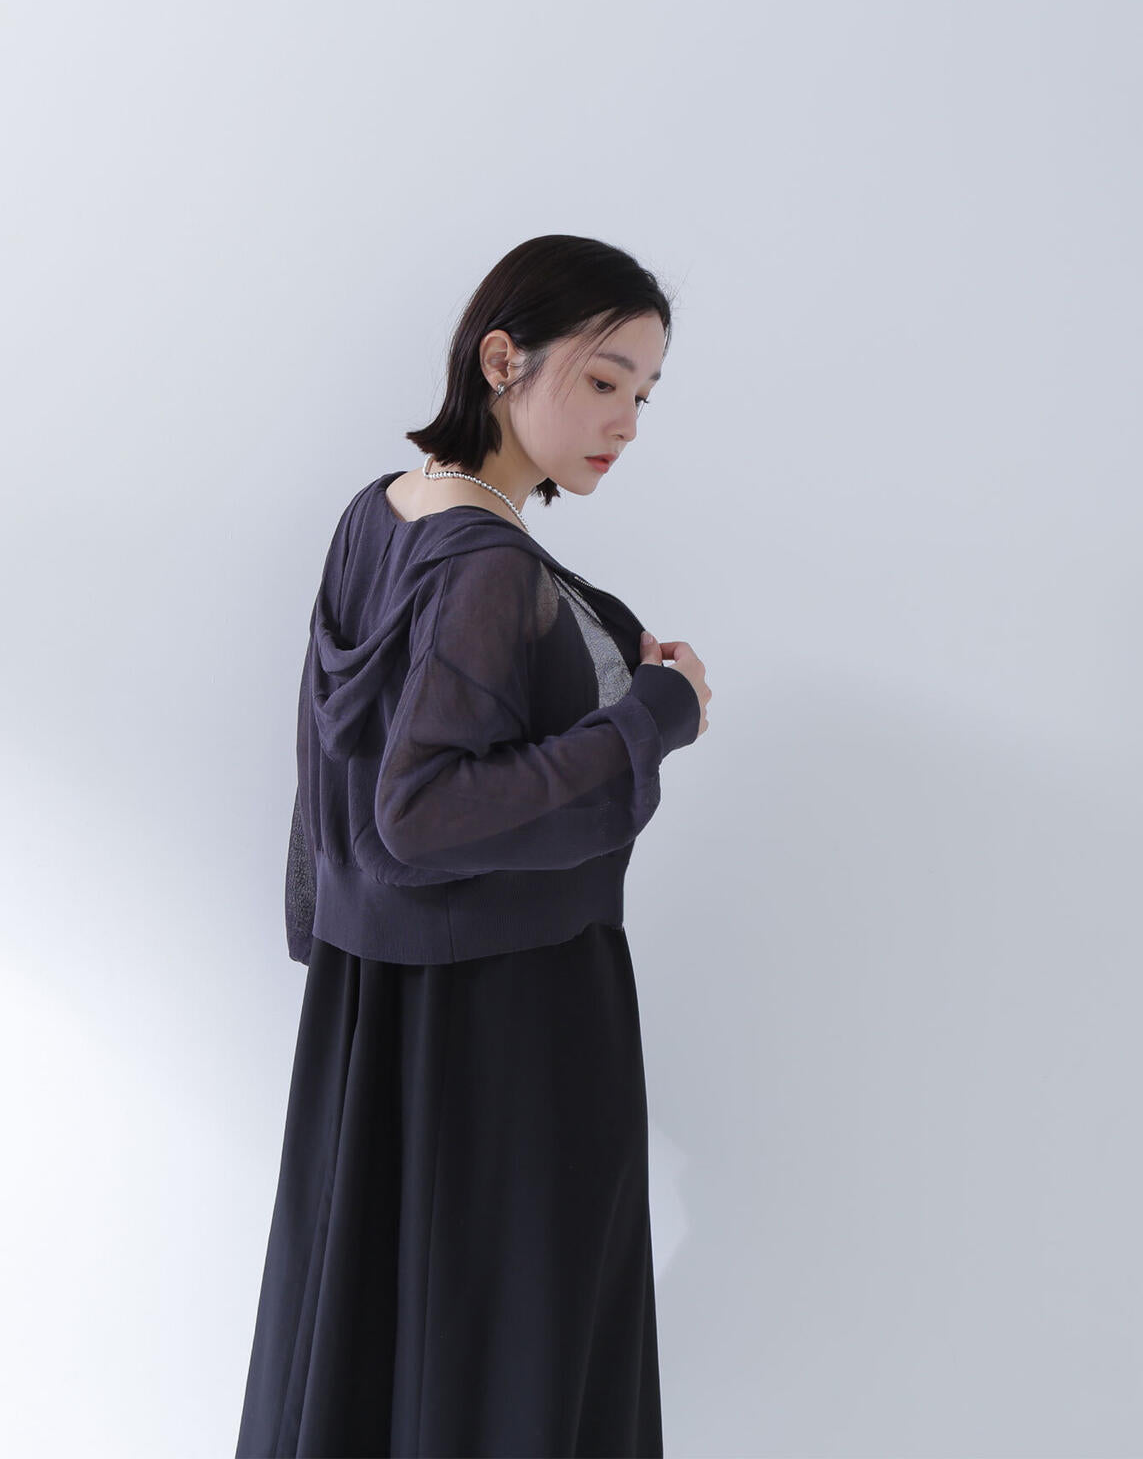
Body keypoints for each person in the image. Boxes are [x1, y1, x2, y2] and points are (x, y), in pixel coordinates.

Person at [235, 234, 711, 1458]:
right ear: (502, 361)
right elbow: (426, 808)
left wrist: (601, 655)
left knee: (387, 1334)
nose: (625, 422)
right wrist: (656, 718)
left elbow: (344, 765)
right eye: (601, 380)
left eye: (644, 394)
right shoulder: (488, 564)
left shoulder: (381, 512)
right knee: (509, 1346)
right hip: (509, 1019)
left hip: (387, 1009)